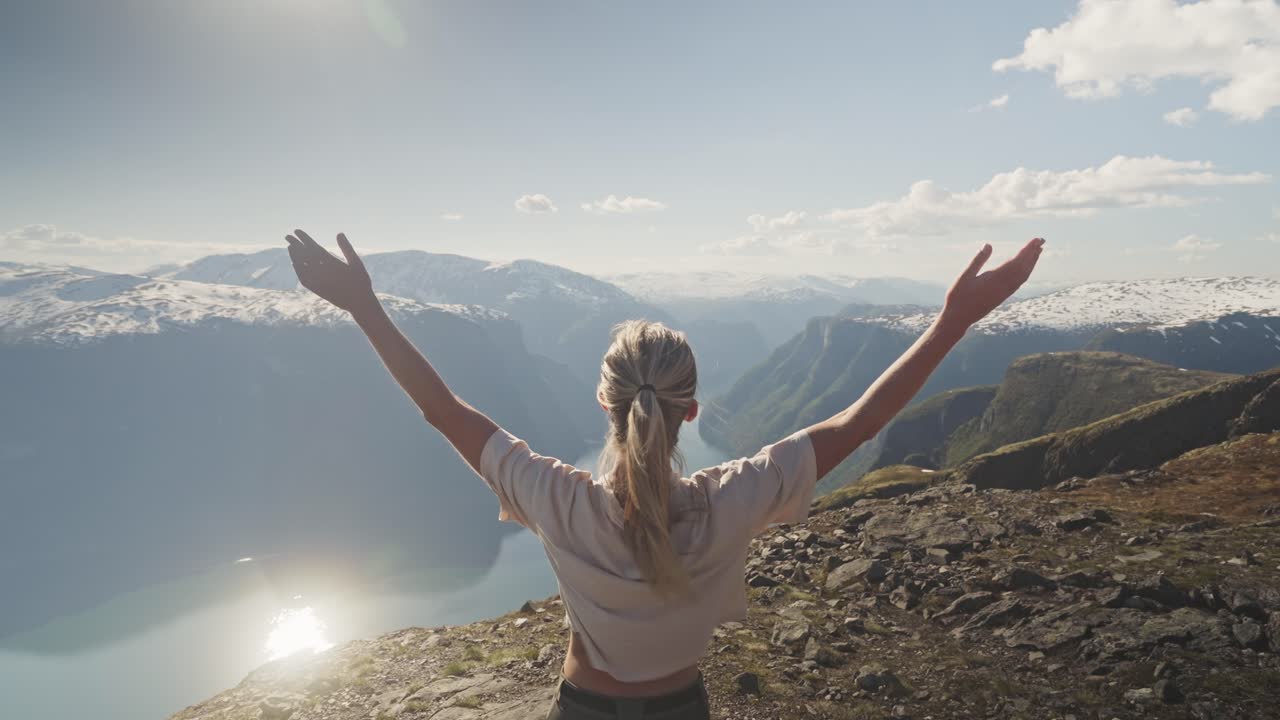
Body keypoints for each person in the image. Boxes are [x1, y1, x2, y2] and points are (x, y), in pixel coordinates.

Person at [285, 229, 1045, 719]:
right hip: (681, 708)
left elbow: (442, 410)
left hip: (582, 709)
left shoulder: (556, 497)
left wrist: (364, 308)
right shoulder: (734, 498)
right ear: (690, 413)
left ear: (604, 404)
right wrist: (953, 322)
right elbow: (860, 422)